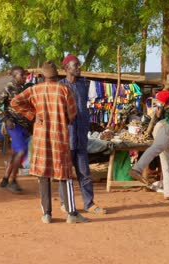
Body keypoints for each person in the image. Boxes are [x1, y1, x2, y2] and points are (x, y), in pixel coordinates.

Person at [11, 61, 88, 224]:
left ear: (41, 76)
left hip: (41, 138)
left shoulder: (34, 90)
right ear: (56, 75)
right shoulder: (65, 89)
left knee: (43, 174)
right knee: (64, 174)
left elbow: (15, 102)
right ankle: (71, 214)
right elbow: (72, 113)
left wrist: (32, 115)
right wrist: (63, 119)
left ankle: (47, 214)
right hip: (59, 137)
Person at [60, 54, 107, 214]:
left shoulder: (84, 84)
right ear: (66, 68)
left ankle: (89, 203)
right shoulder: (60, 86)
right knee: (64, 173)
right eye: (76, 65)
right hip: (66, 136)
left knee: (84, 172)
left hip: (81, 135)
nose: (79, 68)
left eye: (79, 65)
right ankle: (64, 202)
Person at [0, 66, 33, 194]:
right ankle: (13, 181)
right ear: (14, 76)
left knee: (16, 153)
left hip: (24, 127)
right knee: (21, 152)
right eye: (22, 75)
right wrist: (6, 119)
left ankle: (5, 180)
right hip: (14, 126)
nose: (24, 77)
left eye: (25, 75)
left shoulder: (23, 88)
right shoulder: (9, 87)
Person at [129, 90, 169, 201]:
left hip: (163, 128)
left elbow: (158, 114)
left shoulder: (165, 107)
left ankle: (168, 193)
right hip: (166, 128)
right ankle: (137, 169)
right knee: (156, 149)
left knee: (166, 162)